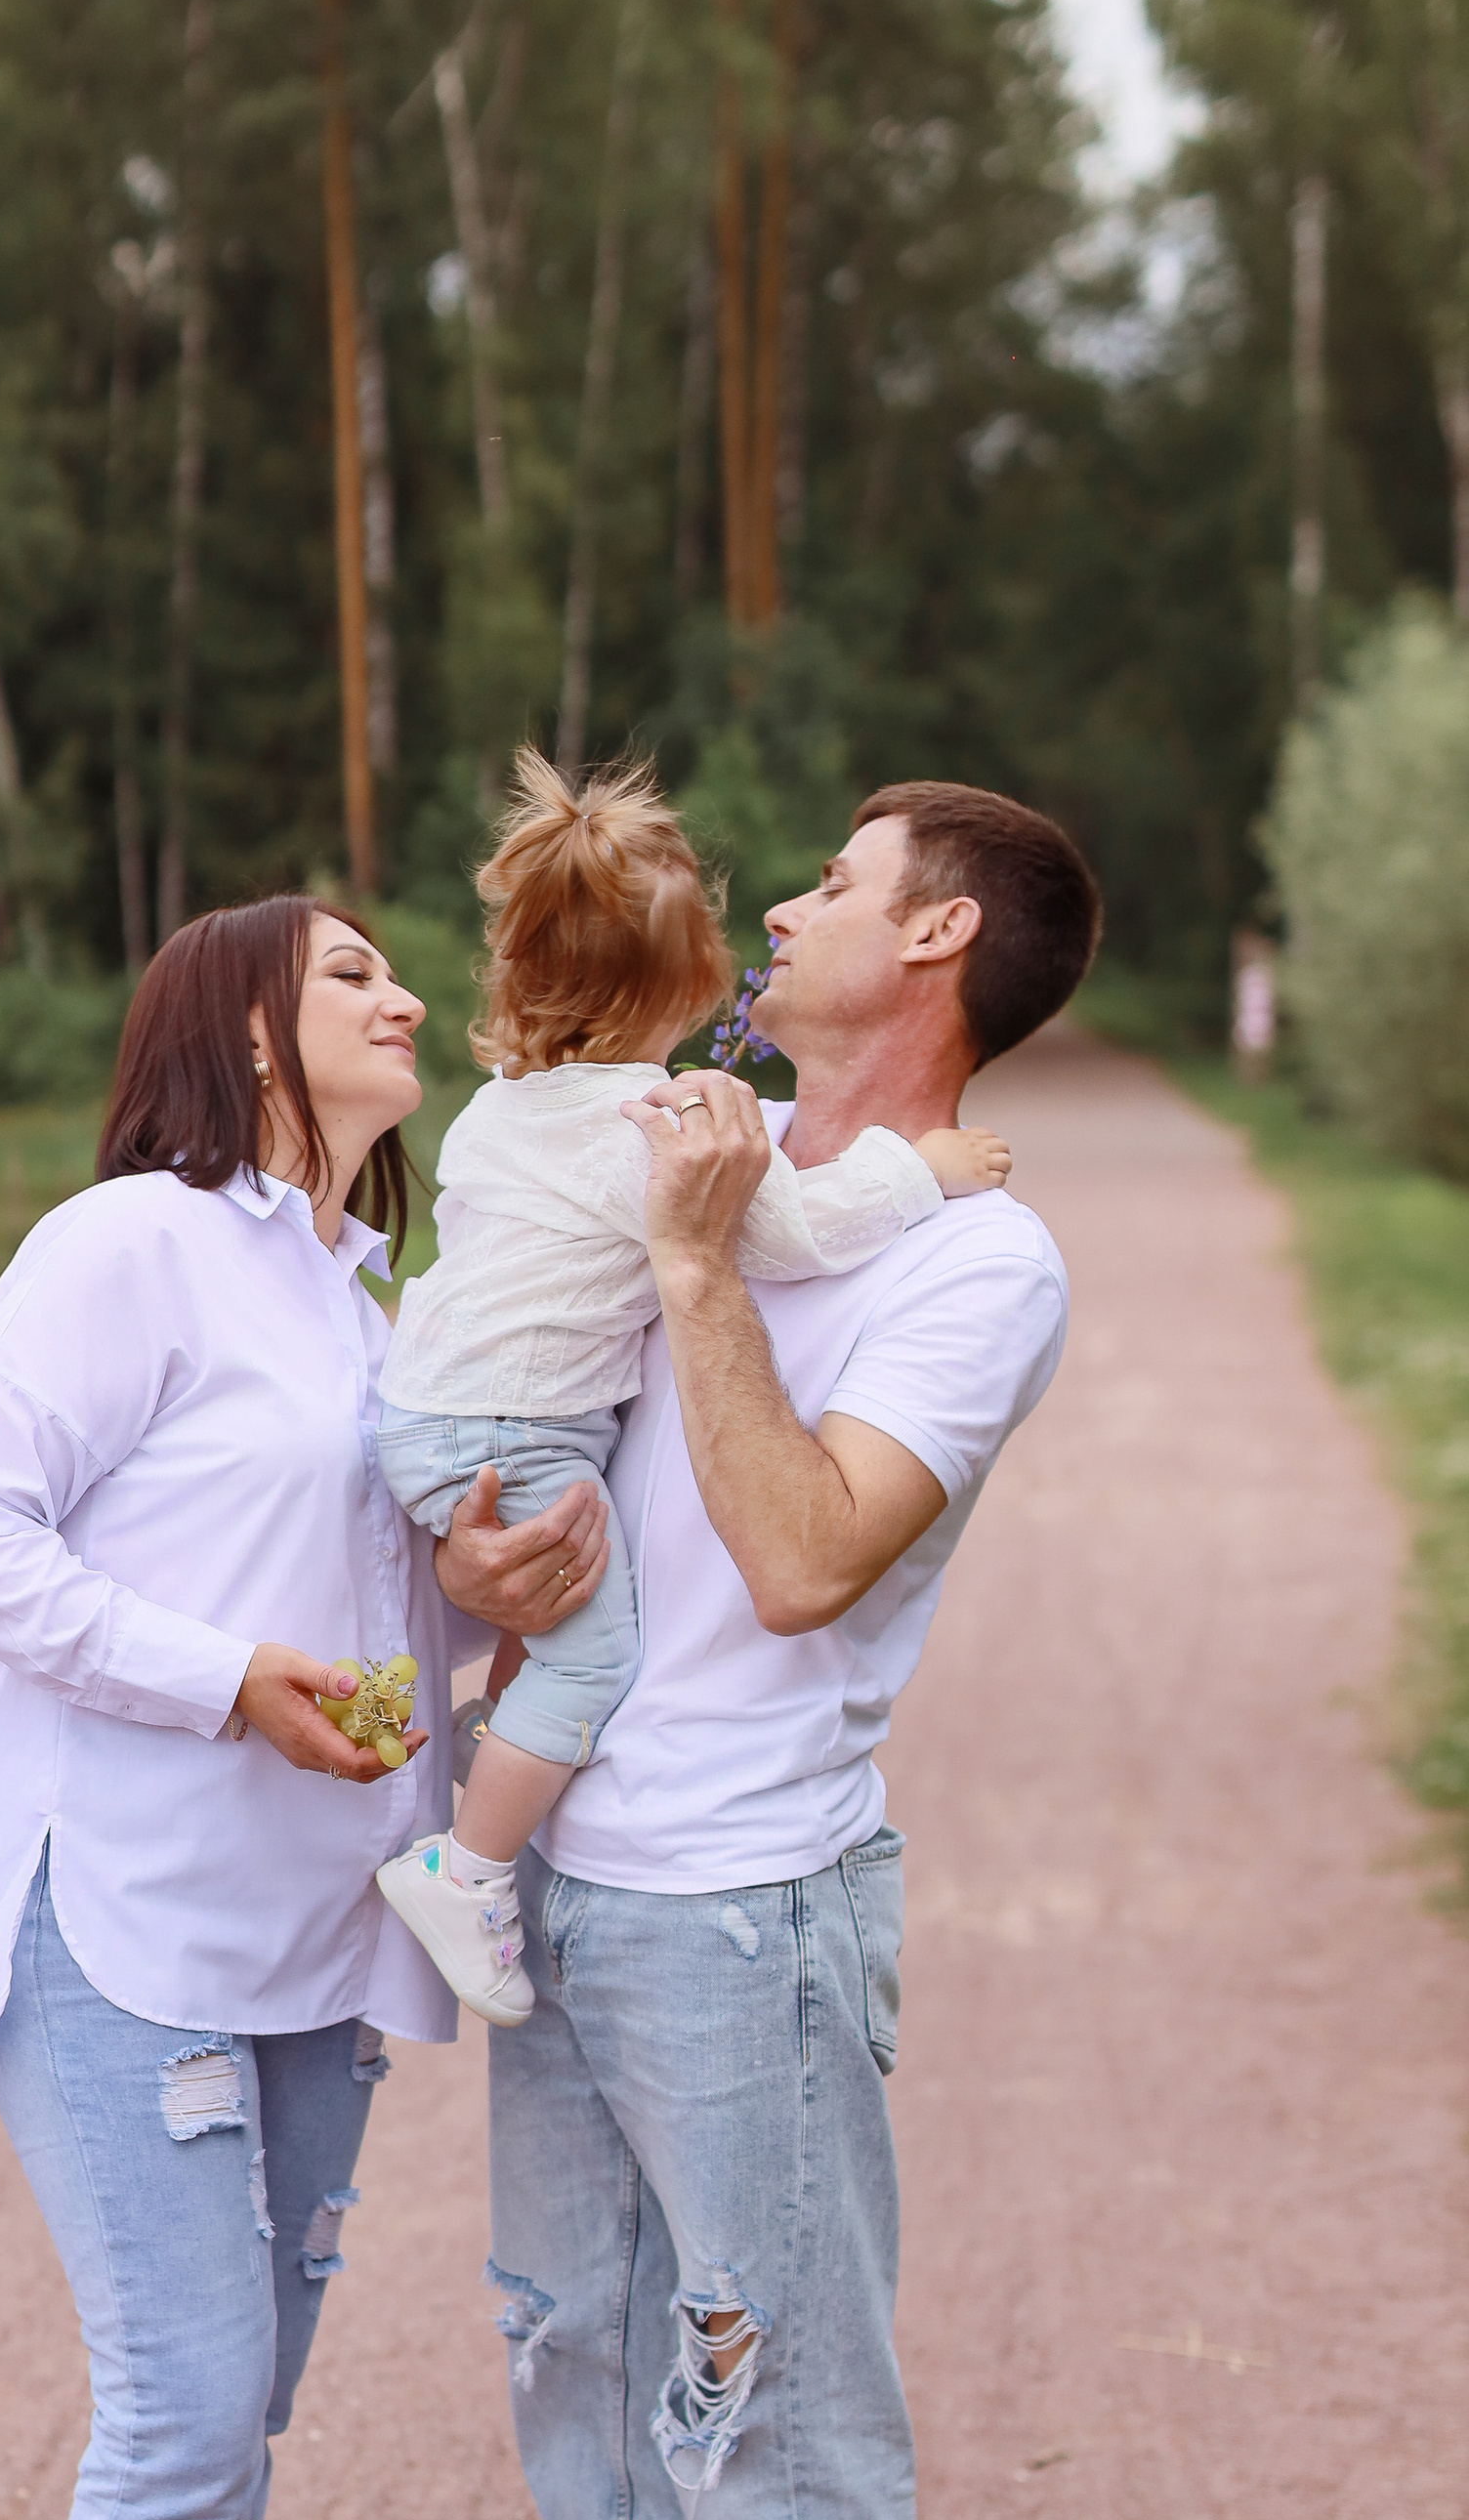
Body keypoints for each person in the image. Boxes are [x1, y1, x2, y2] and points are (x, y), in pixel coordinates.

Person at [389, 780, 1100, 2520]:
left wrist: (701, 1267)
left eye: (832, 884)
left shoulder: (967, 1260)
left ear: (935, 941)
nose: (779, 907)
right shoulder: (689, 1142)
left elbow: (797, 1560)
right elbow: (523, 1431)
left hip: (743, 1895)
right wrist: (476, 1556)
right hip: (569, 1867)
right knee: (571, 2339)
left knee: (766, 2380)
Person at [0, 896, 608, 2520]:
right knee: (186, 2402)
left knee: (245, 2399)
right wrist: (222, 1683)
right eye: (355, 974)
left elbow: (360, 1606)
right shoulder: (127, 1246)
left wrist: (483, 1592)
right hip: (120, 1912)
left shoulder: (370, 1292)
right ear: (250, 1031)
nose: (410, 997)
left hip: (314, 1930)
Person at [372, 751, 1010, 2029]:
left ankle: (487, 1782)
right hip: (517, 1427)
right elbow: (795, 1235)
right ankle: (467, 1865)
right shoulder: (660, 1130)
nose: (778, 919)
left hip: (431, 1410)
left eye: (832, 887)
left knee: (552, 1636)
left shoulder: (500, 1111)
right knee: (589, 1661)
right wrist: (921, 1168)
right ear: (684, 987)